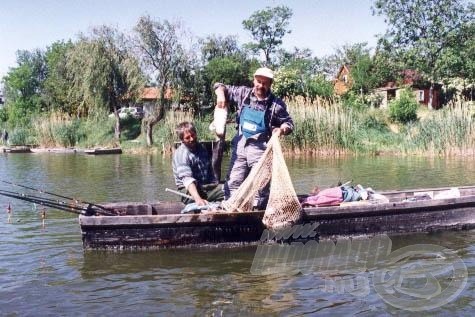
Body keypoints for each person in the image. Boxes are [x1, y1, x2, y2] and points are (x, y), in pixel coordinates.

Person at [213, 67, 294, 209]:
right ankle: (231, 208)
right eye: (258, 81)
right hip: (240, 145)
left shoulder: (276, 104)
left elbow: (289, 123)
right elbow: (219, 86)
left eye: (265, 83)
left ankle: (257, 211)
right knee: (234, 180)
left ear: (270, 84)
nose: (261, 86)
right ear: (254, 80)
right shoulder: (243, 94)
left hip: (261, 149)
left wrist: (281, 130)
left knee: (260, 186)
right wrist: (220, 95)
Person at [172, 121, 224, 206]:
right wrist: (198, 199)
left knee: (230, 187)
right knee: (226, 191)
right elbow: (187, 180)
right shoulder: (181, 154)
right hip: (188, 192)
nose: (191, 139)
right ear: (182, 140)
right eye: (187, 138)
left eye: (193, 135)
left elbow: (210, 171)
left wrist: (215, 184)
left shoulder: (201, 148)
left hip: (204, 187)